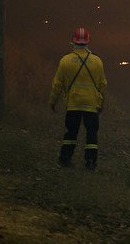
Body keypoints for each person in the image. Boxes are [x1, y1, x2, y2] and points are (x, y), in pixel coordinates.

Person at [49, 27, 107, 170]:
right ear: (88, 42)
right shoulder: (97, 61)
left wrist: (53, 101)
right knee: (92, 134)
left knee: (71, 132)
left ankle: (65, 159)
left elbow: (57, 84)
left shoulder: (65, 60)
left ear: (73, 42)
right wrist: (101, 103)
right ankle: (91, 162)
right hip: (91, 104)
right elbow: (103, 85)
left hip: (73, 103)